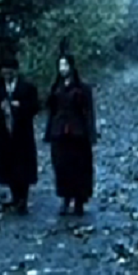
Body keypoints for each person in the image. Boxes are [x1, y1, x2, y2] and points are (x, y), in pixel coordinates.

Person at [0, 55, 40, 215]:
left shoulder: (27, 88)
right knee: (7, 165)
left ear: (15, 72)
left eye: (9, 72)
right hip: (4, 134)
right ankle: (15, 196)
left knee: (23, 166)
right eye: (4, 72)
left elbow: (35, 107)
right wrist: (0, 108)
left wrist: (21, 106)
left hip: (22, 133)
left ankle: (23, 198)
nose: (6, 75)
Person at [44, 54, 98, 216]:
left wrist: (91, 133)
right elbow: (51, 112)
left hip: (78, 134)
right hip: (59, 133)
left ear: (72, 67)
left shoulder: (83, 88)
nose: (62, 69)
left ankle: (79, 200)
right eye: (60, 66)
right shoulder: (56, 88)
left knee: (79, 167)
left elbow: (89, 113)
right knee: (61, 167)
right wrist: (50, 132)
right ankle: (65, 198)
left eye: (65, 65)